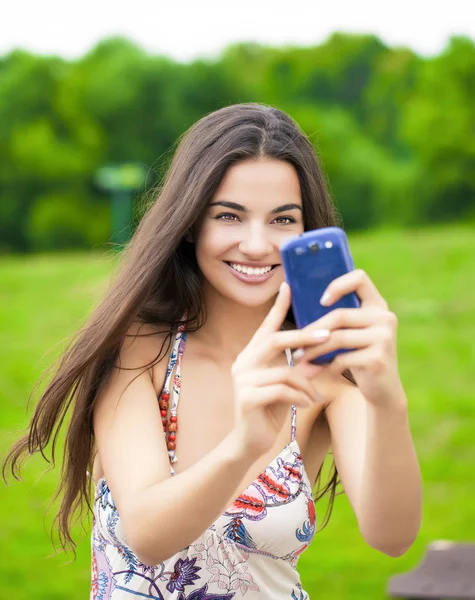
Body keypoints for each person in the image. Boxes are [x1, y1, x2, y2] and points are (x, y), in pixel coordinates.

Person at [2, 103, 422, 599]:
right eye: (229, 215)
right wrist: (244, 442)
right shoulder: (141, 352)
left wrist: (387, 400)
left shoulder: (323, 373)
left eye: (283, 219)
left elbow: (391, 536)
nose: (257, 244)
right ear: (188, 223)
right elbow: (149, 536)